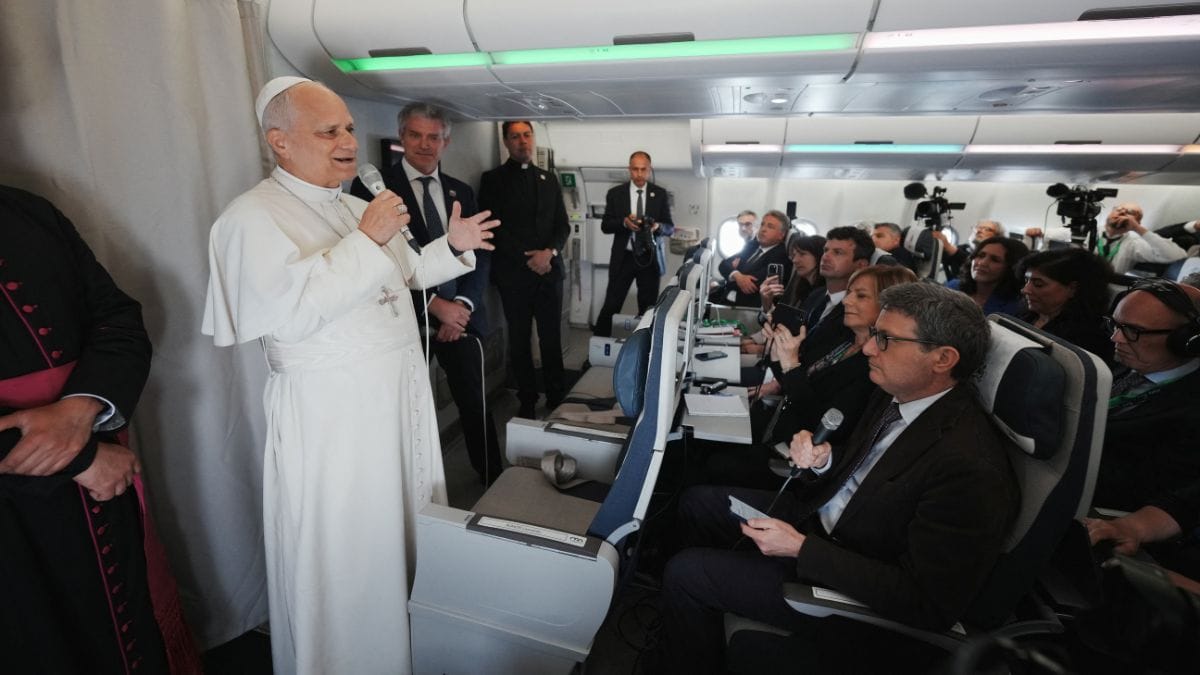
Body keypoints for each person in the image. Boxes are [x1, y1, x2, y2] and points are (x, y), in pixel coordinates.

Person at [202, 77, 498, 674]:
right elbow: (291, 316)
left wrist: (452, 246)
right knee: (348, 553)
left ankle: (409, 649)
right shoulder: (251, 219)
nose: (347, 141)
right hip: (332, 417)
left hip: (394, 404)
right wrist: (367, 240)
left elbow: (409, 273)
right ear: (280, 141)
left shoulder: (356, 204)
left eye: (349, 128)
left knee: (402, 535)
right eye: (328, 131)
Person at [660, 283, 1019, 673]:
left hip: (846, 581)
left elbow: (926, 601)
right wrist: (823, 460)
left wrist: (801, 549)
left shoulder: (970, 465)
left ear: (943, 358)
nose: (869, 348)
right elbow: (864, 471)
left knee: (687, 574)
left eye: (886, 339)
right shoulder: (895, 395)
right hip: (821, 523)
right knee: (697, 504)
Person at [0, 185, 176, 673]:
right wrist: (80, 457)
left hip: (97, 450)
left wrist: (81, 408)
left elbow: (117, 317)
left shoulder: (28, 211)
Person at [349, 102, 501, 485]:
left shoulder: (460, 191)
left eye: (433, 137)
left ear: (445, 142)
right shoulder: (373, 190)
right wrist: (435, 306)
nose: (424, 144)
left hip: (461, 320)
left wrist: (461, 306)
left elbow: (480, 253)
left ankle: (493, 481)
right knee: (408, 409)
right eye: (415, 135)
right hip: (406, 319)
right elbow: (378, 260)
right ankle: (413, 489)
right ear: (402, 137)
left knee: (475, 404)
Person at [711, 266, 918, 489]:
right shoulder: (843, 339)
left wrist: (790, 364)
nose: (846, 301)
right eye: (849, 293)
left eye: (860, 296)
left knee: (713, 465)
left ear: (888, 306)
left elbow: (819, 421)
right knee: (707, 444)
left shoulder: (874, 369)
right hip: (778, 433)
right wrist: (778, 353)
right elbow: (793, 382)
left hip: (795, 462)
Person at [478, 121, 571, 419]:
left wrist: (549, 253)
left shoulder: (549, 179)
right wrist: (529, 259)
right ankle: (527, 399)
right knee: (519, 340)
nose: (523, 141)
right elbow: (493, 228)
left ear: (533, 138)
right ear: (506, 142)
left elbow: (562, 226)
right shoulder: (493, 180)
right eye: (515, 136)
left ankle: (556, 395)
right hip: (514, 276)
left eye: (527, 135)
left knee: (551, 338)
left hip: (549, 273)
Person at [1092, 279, 1200, 514]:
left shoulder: (1191, 408)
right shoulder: (1125, 363)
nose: (1116, 338)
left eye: (1133, 330)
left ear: (1187, 341)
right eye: (1115, 325)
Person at [593, 150, 674, 337]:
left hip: (649, 258)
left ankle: (643, 347)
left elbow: (670, 227)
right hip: (624, 257)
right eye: (635, 169)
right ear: (629, 169)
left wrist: (657, 227)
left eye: (643, 170)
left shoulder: (659, 194)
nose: (639, 174)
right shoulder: (615, 194)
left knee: (648, 308)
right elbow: (606, 225)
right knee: (611, 304)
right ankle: (598, 345)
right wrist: (624, 223)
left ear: (649, 170)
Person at [1027, 203, 1187, 275]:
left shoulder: (1134, 243)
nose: (1122, 213)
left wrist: (1138, 229)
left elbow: (1176, 255)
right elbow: (1046, 234)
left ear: (1137, 221)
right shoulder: (1086, 231)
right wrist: (1037, 231)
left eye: (1130, 213)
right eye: (1119, 209)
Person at [1018, 248, 1115, 362]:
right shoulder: (1026, 315)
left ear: (1073, 289)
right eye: (1026, 281)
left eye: (1038, 284)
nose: (1025, 290)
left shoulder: (1089, 338)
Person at [709, 209, 790, 307]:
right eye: (762, 224)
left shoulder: (781, 256)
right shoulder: (752, 245)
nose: (763, 229)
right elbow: (723, 265)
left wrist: (734, 272)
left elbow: (753, 285)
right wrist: (737, 275)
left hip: (746, 306)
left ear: (782, 235)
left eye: (770, 226)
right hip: (725, 297)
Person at [946, 235, 1029, 315]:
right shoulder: (952, 287)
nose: (982, 263)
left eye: (995, 260)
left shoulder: (1016, 307)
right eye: (980, 256)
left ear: (1012, 268)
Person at [934, 219, 1004, 279]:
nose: (979, 231)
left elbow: (973, 264)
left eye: (987, 229)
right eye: (978, 228)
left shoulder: (996, 255)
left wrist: (949, 247)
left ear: (996, 236)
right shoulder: (963, 248)